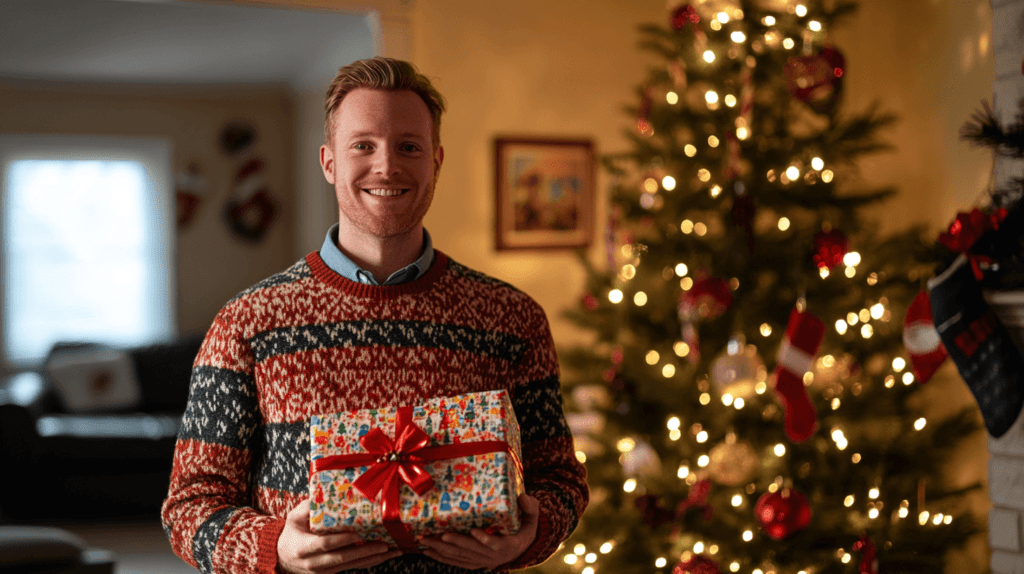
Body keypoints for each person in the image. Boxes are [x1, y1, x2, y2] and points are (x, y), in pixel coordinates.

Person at [162, 57, 589, 574]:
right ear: (329, 163)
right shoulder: (248, 321)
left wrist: (526, 539)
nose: (387, 166)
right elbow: (188, 507)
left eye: (409, 147)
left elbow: (561, 481)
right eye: (363, 145)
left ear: (436, 161)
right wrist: (275, 546)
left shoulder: (511, 318)